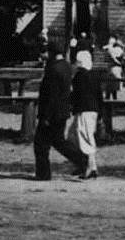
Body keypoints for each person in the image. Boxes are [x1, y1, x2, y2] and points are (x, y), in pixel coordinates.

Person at [33, 39, 87, 181]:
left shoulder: (53, 69)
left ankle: (43, 174)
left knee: (41, 144)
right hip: (62, 110)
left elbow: (51, 95)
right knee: (58, 141)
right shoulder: (66, 66)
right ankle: (81, 159)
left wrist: (45, 116)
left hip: (51, 112)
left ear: (52, 52)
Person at [69, 49, 101, 179]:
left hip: (84, 109)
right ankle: (87, 165)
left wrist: (71, 106)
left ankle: (90, 166)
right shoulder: (94, 75)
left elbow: (76, 95)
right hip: (93, 110)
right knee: (82, 135)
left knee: (84, 136)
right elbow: (99, 96)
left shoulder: (79, 76)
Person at [103, 36, 123, 101]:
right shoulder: (113, 49)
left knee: (111, 83)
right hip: (113, 67)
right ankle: (113, 97)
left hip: (112, 67)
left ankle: (109, 97)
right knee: (113, 83)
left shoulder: (111, 49)